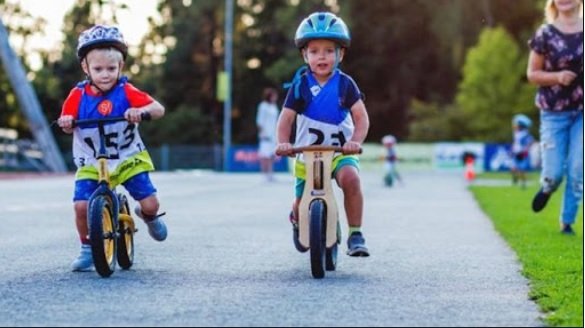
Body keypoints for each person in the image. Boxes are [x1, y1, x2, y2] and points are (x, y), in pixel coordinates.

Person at [57, 25, 168, 271]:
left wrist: (141, 111)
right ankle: (87, 247)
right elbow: (66, 122)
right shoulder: (77, 96)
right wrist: (66, 122)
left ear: (121, 67)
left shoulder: (126, 91)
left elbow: (158, 109)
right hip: (91, 160)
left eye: (111, 68)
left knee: (150, 203)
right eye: (98, 69)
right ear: (86, 68)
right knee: (81, 206)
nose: (105, 74)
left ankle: (148, 217)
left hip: (128, 157)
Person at [275, 12, 370, 257]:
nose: (322, 56)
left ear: (341, 54)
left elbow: (361, 118)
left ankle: (356, 233)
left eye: (329, 50)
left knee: (351, 178)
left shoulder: (346, 84)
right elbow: (285, 119)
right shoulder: (300, 86)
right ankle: (297, 220)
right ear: (305, 55)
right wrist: (283, 143)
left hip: (339, 153)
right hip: (307, 155)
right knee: (300, 205)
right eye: (315, 51)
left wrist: (355, 142)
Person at [527, 0, 583, 235]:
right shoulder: (545, 33)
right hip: (553, 113)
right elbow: (532, 74)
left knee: (578, 168)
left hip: (581, 111)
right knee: (555, 173)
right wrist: (558, 76)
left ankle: (567, 221)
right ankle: (548, 187)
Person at [256, 87, 279, 182]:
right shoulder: (263, 106)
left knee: (272, 155)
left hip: (273, 133)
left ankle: (270, 172)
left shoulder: (274, 106)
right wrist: (262, 132)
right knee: (264, 155)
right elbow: (259, 121)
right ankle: (264, 173)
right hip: (265, 134)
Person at [510, 114, 535, 189]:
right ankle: (515, 178)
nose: (515, 126)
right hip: (516, 153)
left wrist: (526, 149)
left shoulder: (525, 134)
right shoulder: (516, 133)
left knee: (522, 170)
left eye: (517, 125)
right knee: (513, 168)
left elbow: (531, 141)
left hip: (522, 154)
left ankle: (523, 183)